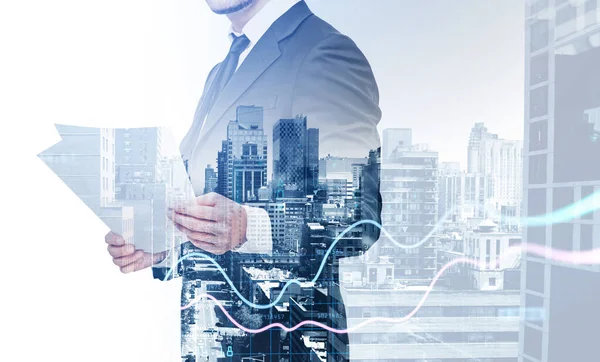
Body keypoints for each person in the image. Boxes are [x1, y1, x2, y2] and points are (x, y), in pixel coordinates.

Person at [105, 0, 382, 360]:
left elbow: (357, 213)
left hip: (286, 348)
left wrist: (249, 225)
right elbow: (218, 216)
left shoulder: (325, 52)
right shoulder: (222, 71)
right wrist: (166, 246)